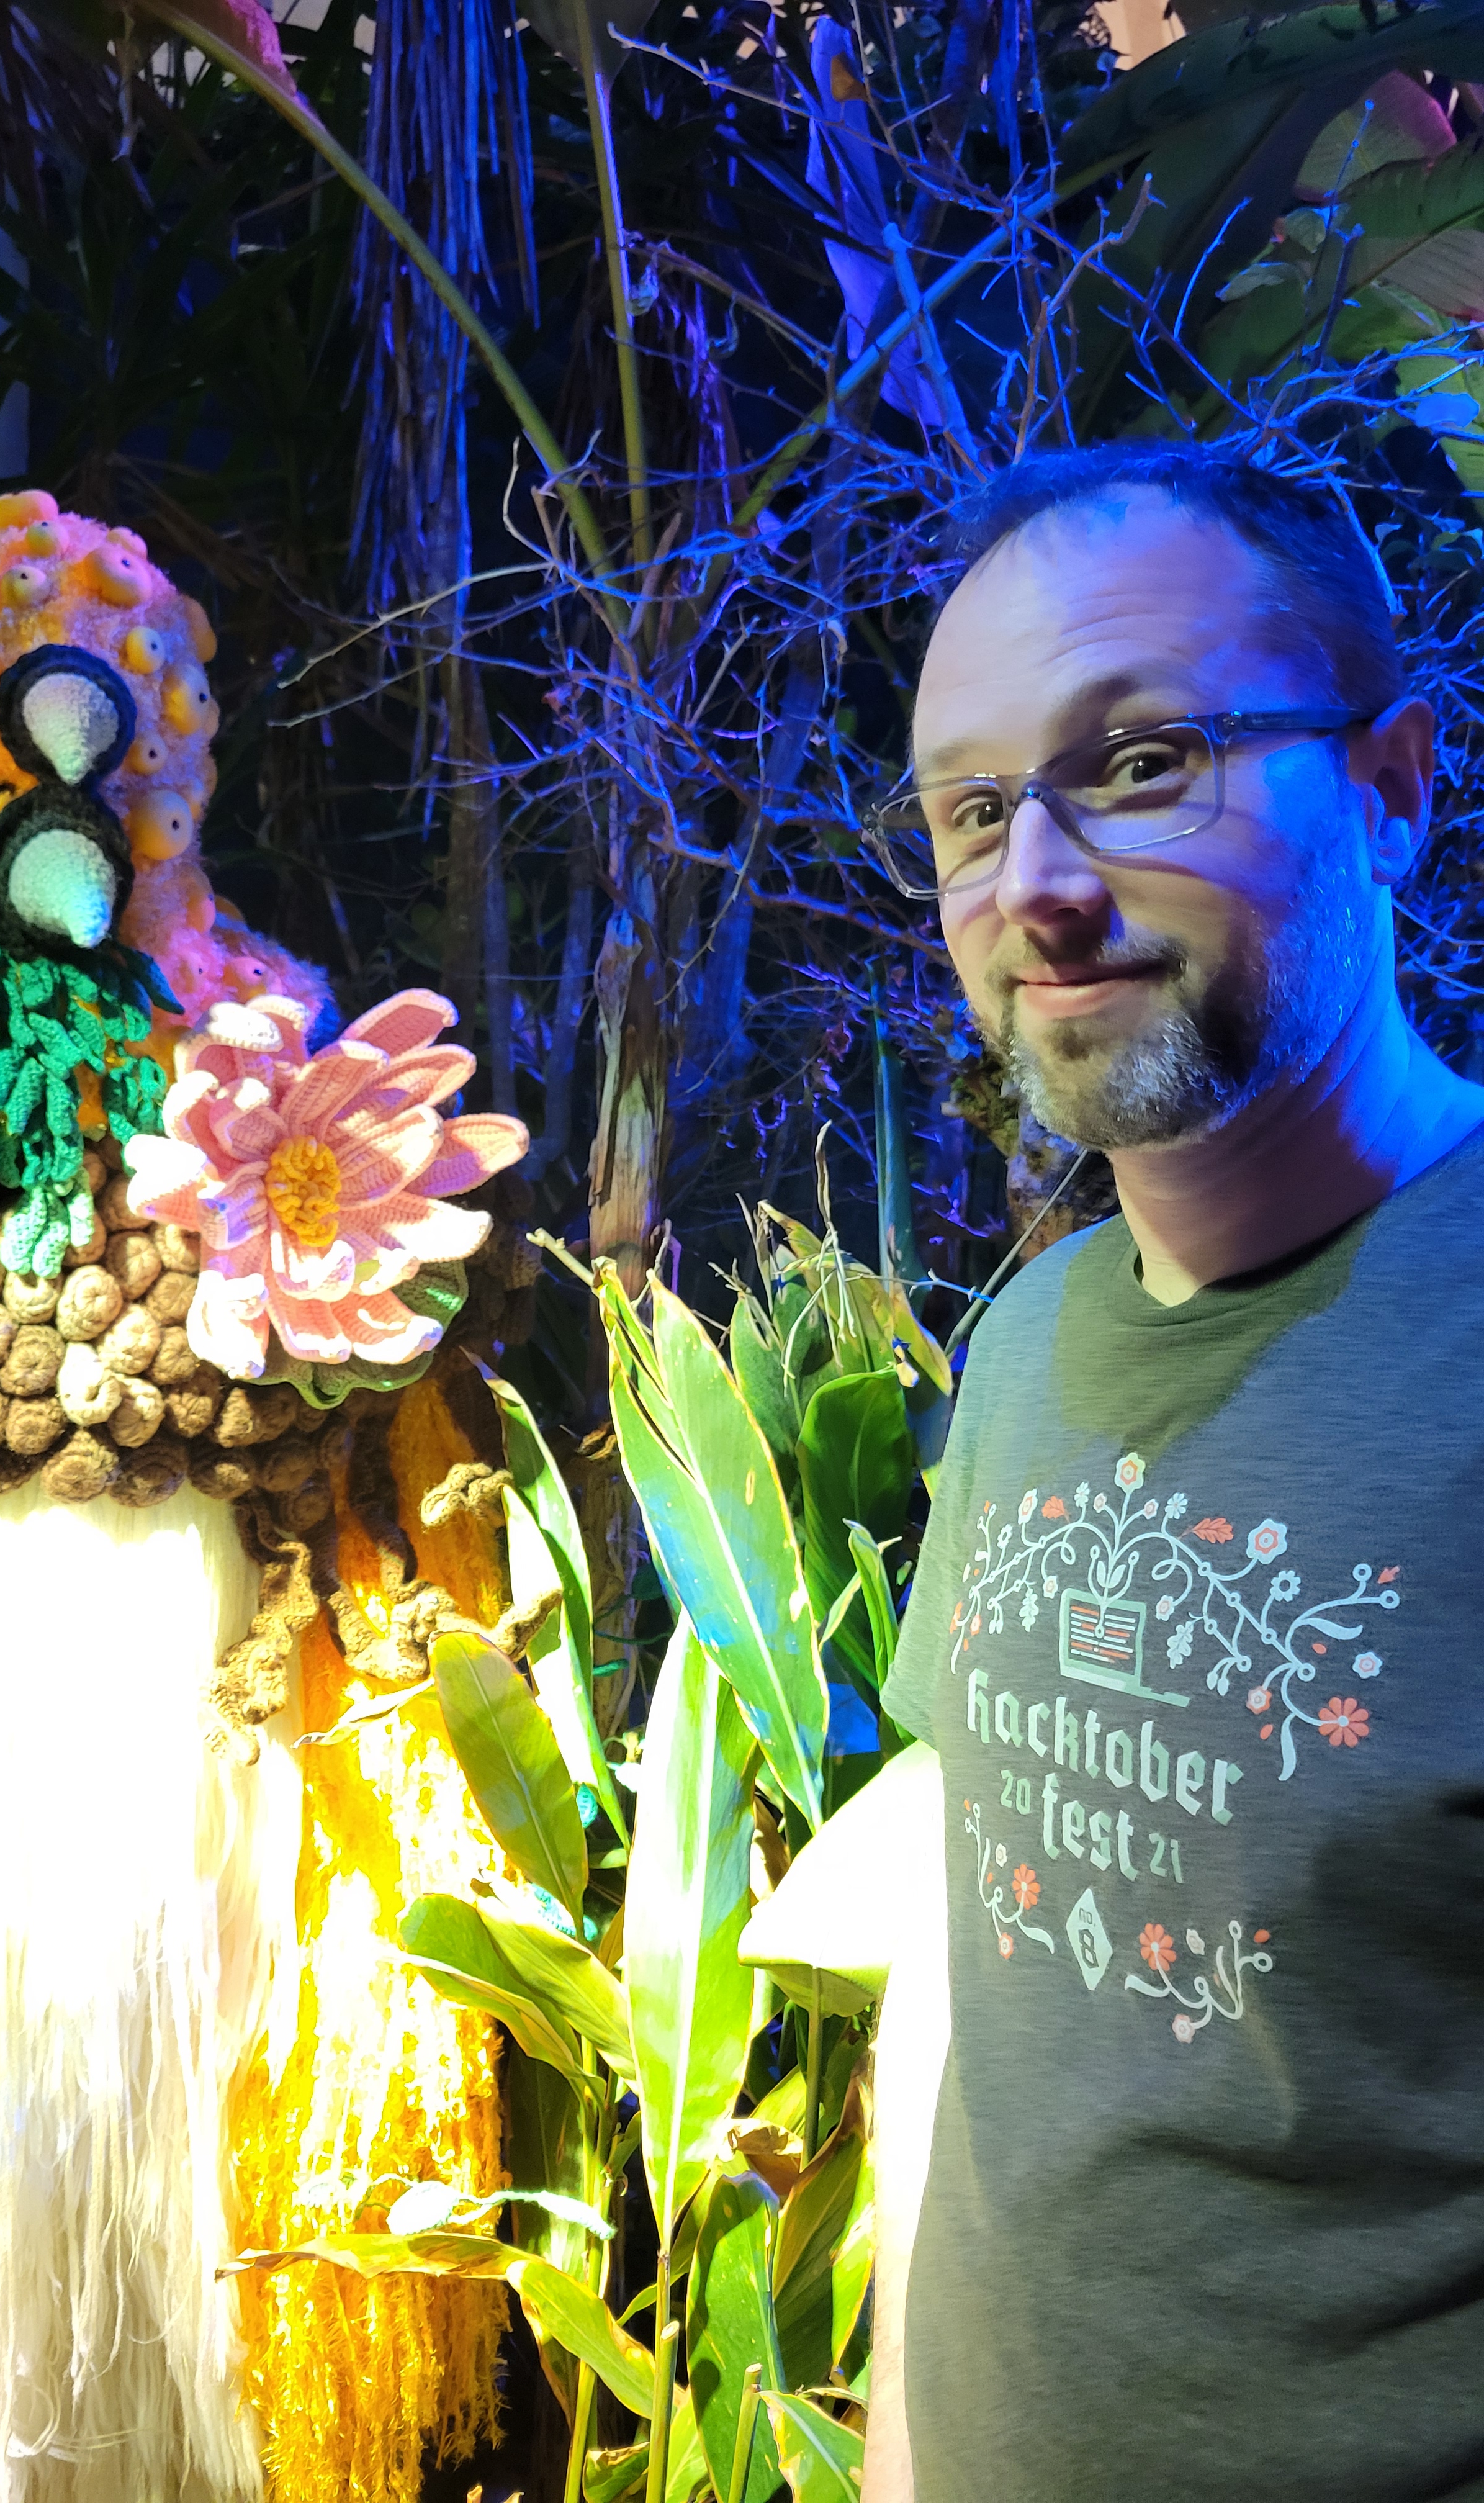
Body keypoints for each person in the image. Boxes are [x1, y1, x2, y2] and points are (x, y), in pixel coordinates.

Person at [742, 444, 1484, 2501]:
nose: (1039, 887)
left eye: (1144, 763)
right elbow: (978, 1965)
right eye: (976, 811)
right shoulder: (1035, 1343)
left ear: (1395, 785)